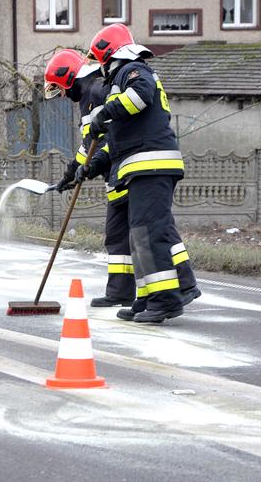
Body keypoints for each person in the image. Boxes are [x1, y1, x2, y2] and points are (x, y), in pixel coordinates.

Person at [86, 23, 201, 323]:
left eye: (101, 60)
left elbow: (139, 97)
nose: (101, 68)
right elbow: (120, 130)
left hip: (151, 164)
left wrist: (104, 113)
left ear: (109, 54)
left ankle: (166, 300)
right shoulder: (124, 74)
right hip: (141, 167)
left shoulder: (133, 70)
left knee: (150, 233)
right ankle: (148, 297)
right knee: (139, 235)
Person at [43, 49, 135, 307]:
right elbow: (89, 143)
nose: (63, 95)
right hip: (116, 175)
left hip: (126, 171)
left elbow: (108, 137)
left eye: (61, 89)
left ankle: (172, 288)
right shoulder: (88, 94)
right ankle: (119, 292)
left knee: (141, 234)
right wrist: (70, 174)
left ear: (70, 78)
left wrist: (90, 167)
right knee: (117, 235)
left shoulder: (95, 91)